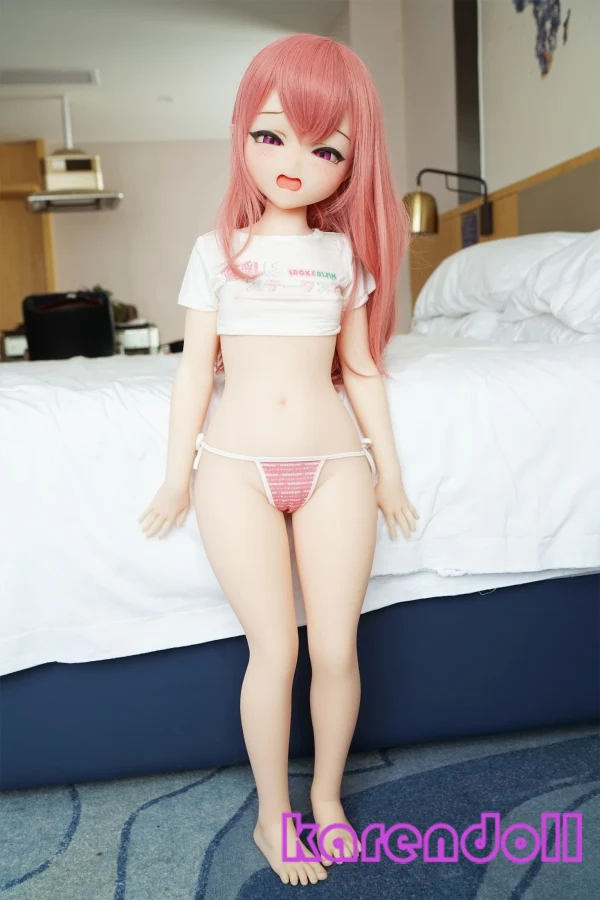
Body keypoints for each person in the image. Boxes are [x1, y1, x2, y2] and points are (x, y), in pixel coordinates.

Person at [138, 33, 418, 887]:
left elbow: (360, 368)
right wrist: (177, 474)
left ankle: (326, 799)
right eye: (272, 136)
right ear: (242, 136)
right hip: (234, 469)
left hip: (336, 468)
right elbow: (195, 370)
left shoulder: (344, 258)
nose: (295, 162)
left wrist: (390, 473)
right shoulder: (217, 250)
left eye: (326, 148)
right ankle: (273, 816)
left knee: (335, 650)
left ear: (352, 162)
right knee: (276, 652)